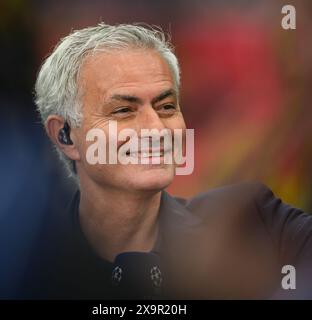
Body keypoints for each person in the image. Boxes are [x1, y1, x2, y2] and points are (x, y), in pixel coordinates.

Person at [23, 23, 312, 299]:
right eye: (123, 110)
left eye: (166, 106)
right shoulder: (16, 261)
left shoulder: (259, 225)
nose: (157, 129)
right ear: (65, 135)